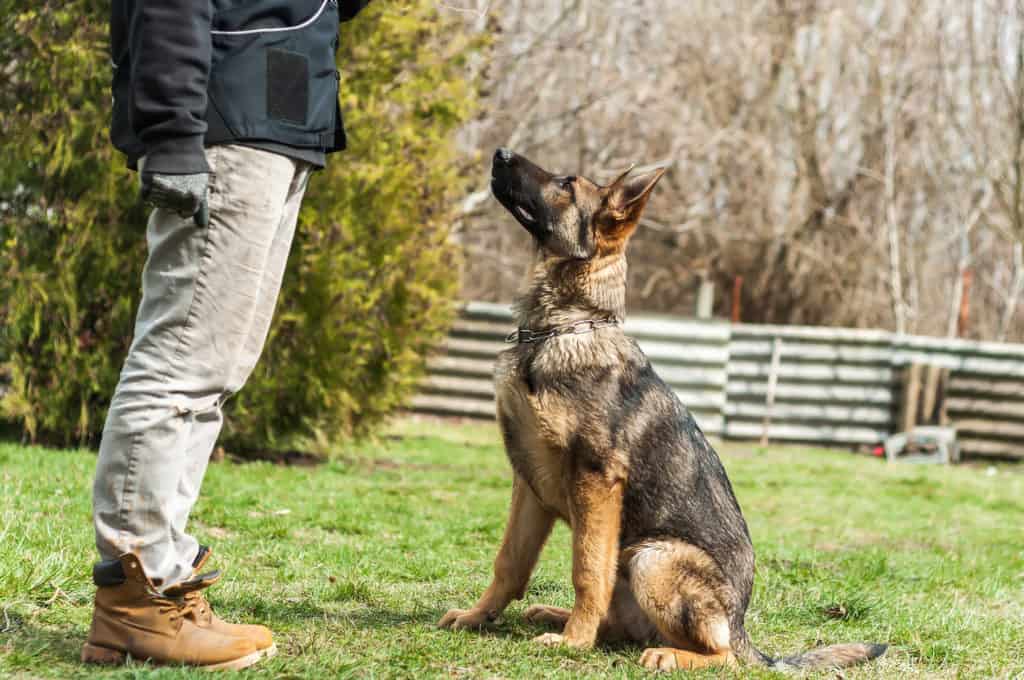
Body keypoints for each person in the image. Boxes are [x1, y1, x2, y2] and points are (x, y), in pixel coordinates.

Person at [82, 0, 371, 670]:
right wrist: (172, 133)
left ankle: (167, 582)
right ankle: (135, 596)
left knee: (215, 370)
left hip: (281, 116)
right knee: (181, 360)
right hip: (225, 119)